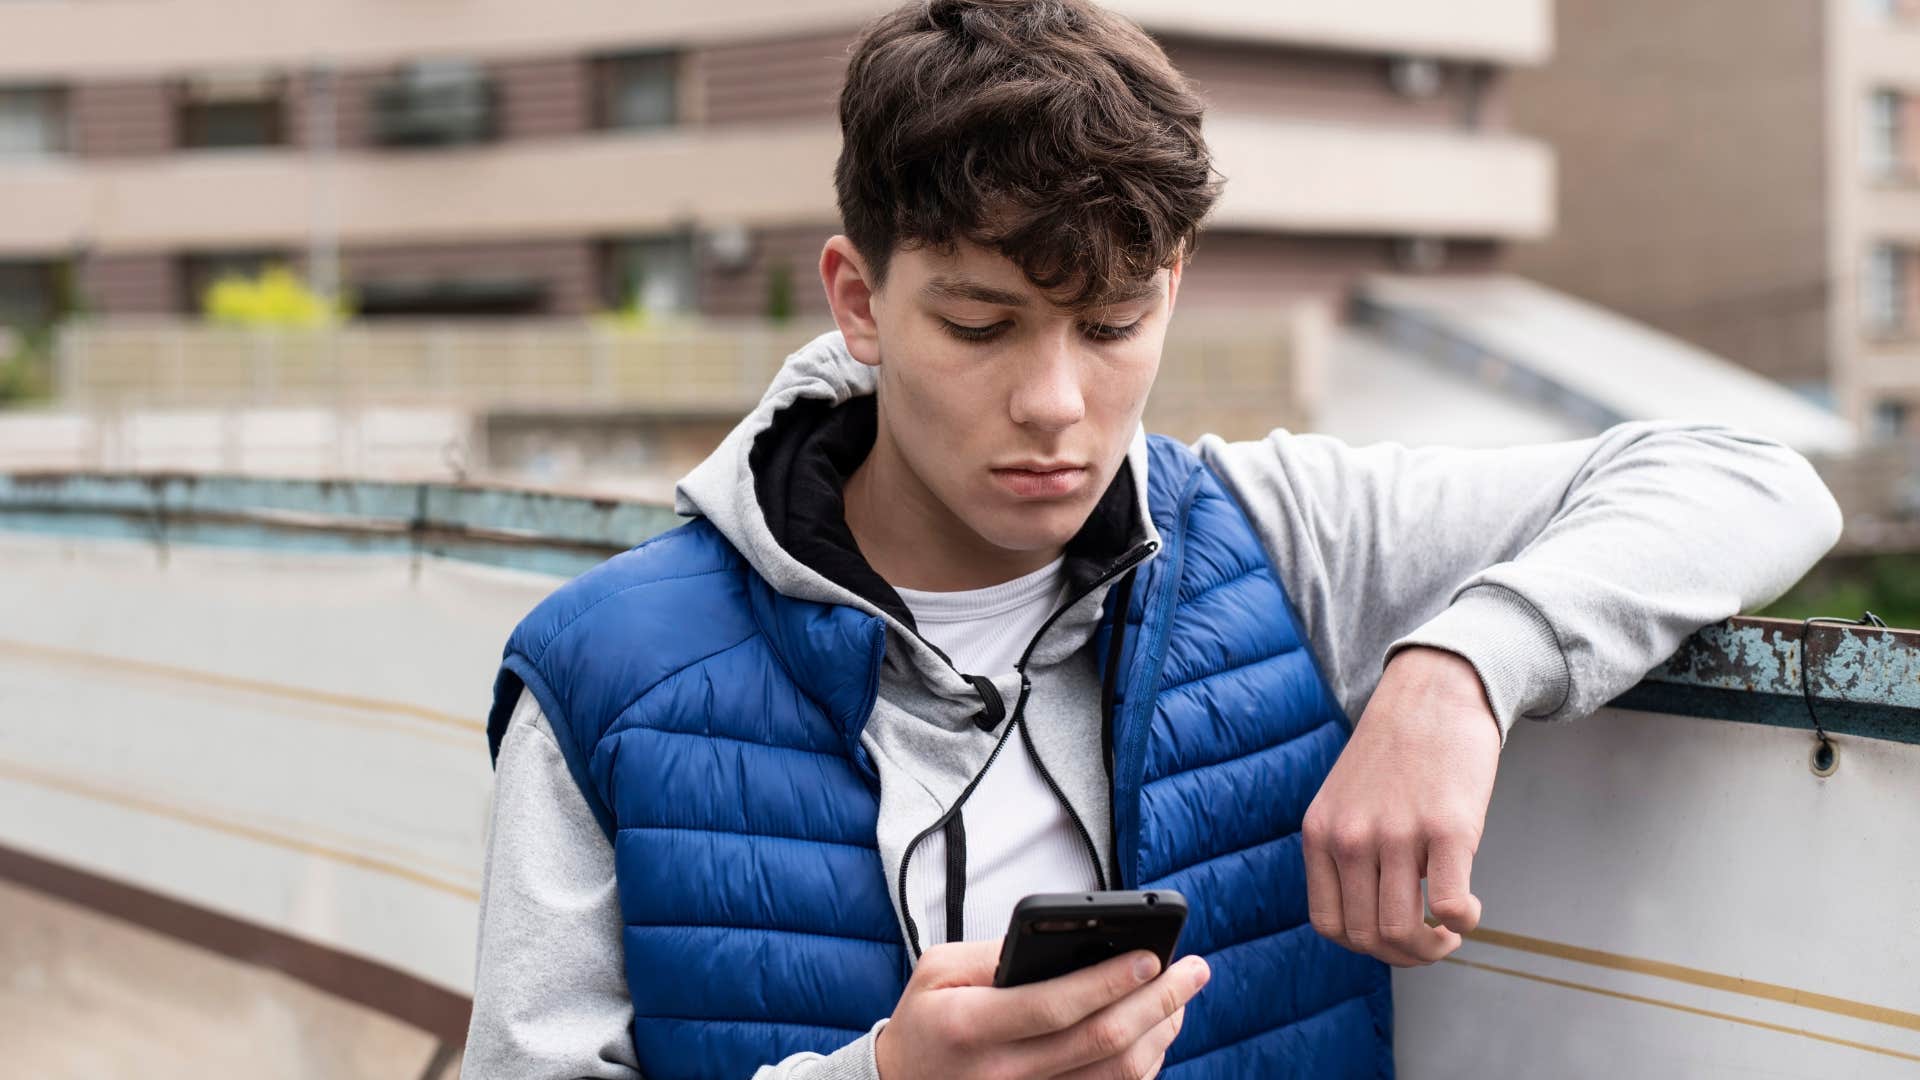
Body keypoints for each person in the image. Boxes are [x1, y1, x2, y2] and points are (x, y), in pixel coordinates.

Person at [462, 1, 1843, 1077]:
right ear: (859, 300)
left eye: (1116, 325)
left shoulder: (1275, 531)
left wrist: (1462, 668)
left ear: (1172, 287)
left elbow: (1749, 474)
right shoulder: (604, 679)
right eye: (981, 324)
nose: (1059, 406)